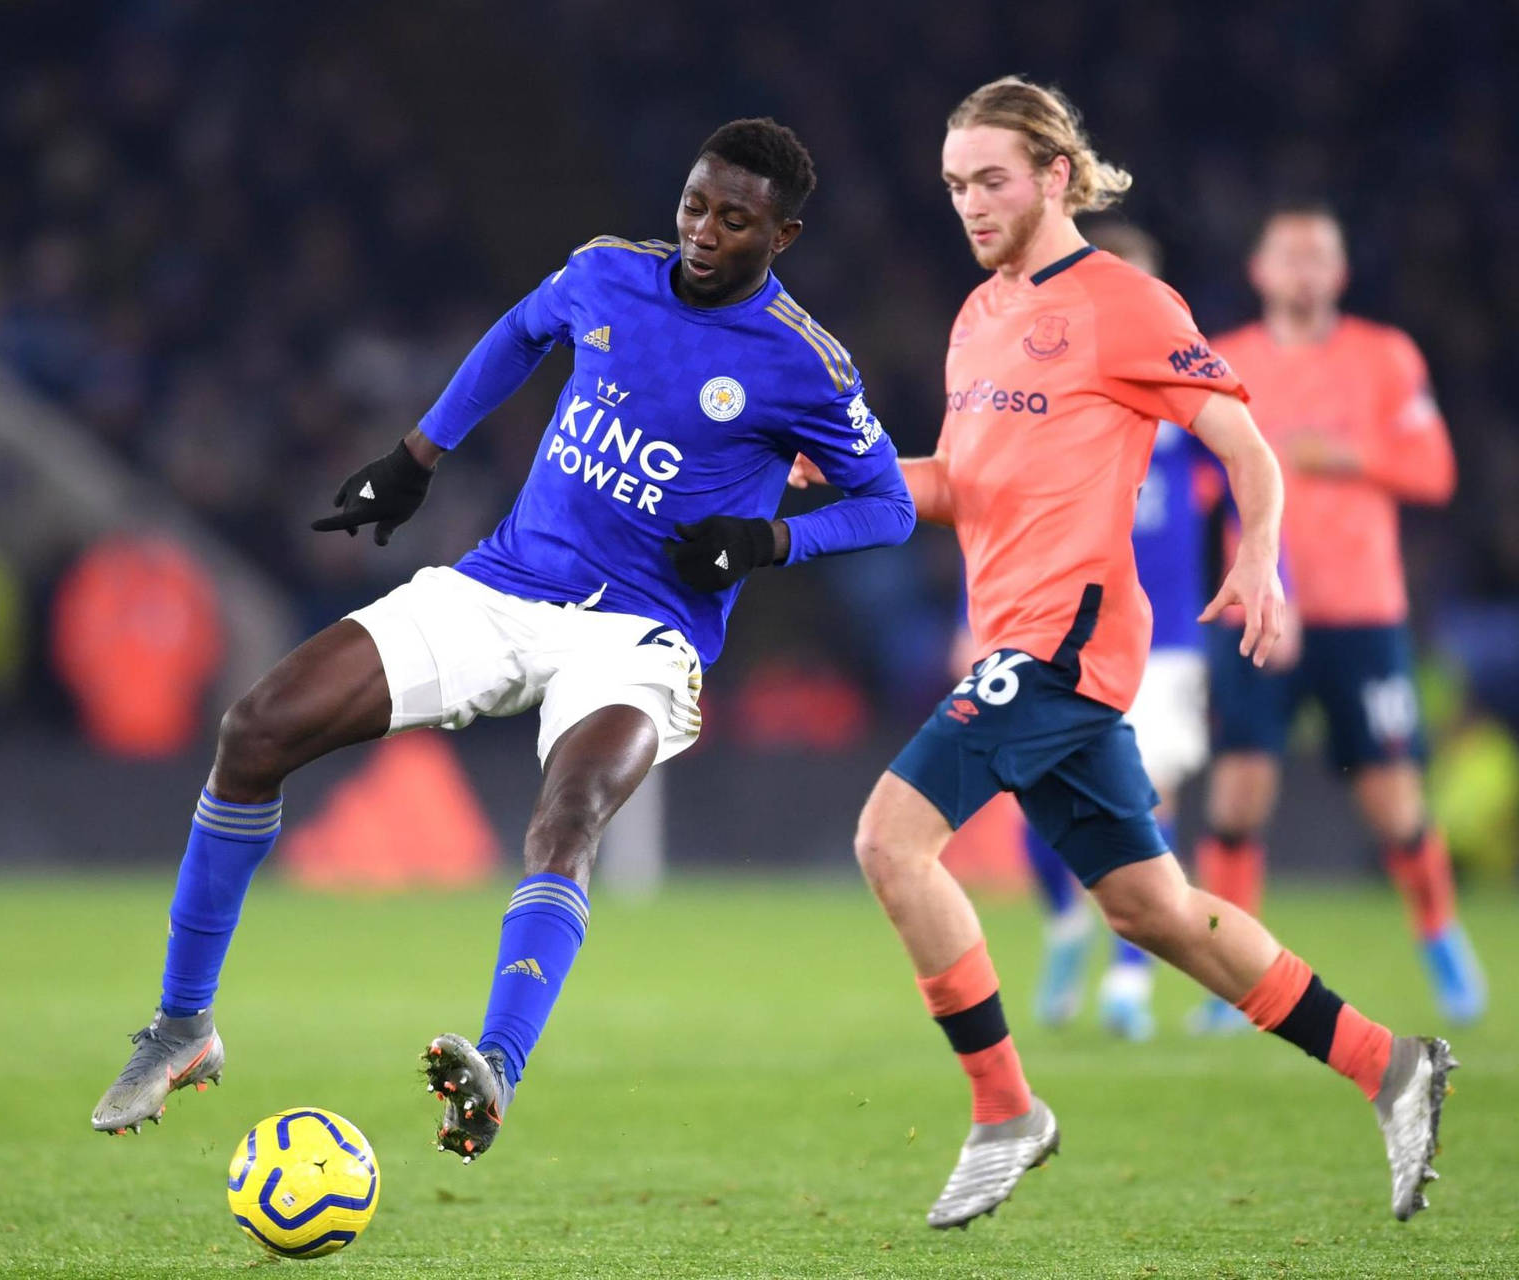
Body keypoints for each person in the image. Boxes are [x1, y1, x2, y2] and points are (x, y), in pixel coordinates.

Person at [89, 120, 917, 1165]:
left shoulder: (805, 363)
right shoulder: (608, 274)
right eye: (696, 205)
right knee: (256, 727)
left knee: (568, 815)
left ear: (783, 235)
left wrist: (770, 537)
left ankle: (495, 1068)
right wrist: (417, 454)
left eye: (736, 219)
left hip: (641, 634)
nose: (704, 233)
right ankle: (180, 1028)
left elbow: (886, 506)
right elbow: (521, 332)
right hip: (502, 584)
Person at [795, 77, 1454, 1230]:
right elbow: (959, 488)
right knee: (1156, 910)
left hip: (1069, 638)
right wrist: (842, 475)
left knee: (891, 839)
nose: (970, 204)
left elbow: (1247, 442)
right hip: (1017, 636)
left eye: (990, 179)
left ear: (1057, 175)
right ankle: (1391, 1063)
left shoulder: (1127, 302)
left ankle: (1005, 1108)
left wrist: (1256, 558)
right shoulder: (976, 315)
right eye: (954, 185)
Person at [1192, 206, 1486, 1032]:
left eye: (1319, 255)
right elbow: (1201, 487)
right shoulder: (1225, 361)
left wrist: (1344, 455)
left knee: (1394, 796)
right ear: (1260, 270)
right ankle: (1230, 977)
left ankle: (1441, 938)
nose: (1303, 270)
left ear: (1340, 273)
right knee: (1239, 792)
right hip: (1261, 611)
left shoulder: (1385, 357)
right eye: (1288, 255)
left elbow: (1435, 471)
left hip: (1362, 611)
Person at [1006, 220, 1223, 1039]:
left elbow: (1241, 478)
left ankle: (1130, 978)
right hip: (1060, 625)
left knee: (1144, 798)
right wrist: (971, 614)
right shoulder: (1046, 391)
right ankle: (1066, 925)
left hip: (1164, 637)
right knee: (1037, 795)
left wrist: (1272, 578)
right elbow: (995, 505)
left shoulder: (1185, 387)